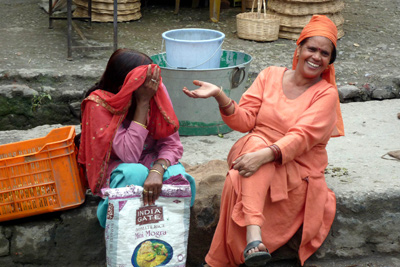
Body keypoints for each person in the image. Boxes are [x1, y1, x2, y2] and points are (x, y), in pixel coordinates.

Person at [183, 15, 344, 267]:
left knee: (237, 177)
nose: (316, 56)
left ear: (329, 63)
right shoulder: (270, 75)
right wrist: (220, 96)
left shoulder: (326, 94)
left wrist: (264, 155)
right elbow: (245, 121)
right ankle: (253, 238)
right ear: (299, 48)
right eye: (312, 48)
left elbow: (301, 137)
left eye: (324, 53)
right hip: (253, 151)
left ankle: (224, 257)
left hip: (296, 167)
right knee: (255, 141)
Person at [78, 48, 196, 228]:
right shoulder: (98, 104)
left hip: (152, 161)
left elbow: (172, 144)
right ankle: (119, 225)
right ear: (123, 87)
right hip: (119, 168)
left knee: (179, 178)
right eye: (144, 83)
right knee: (135, 173)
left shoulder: (154, 89)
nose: (152, 87)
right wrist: (142, 104)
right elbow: (129, 156)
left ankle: (168, 232)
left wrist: (157, 170)